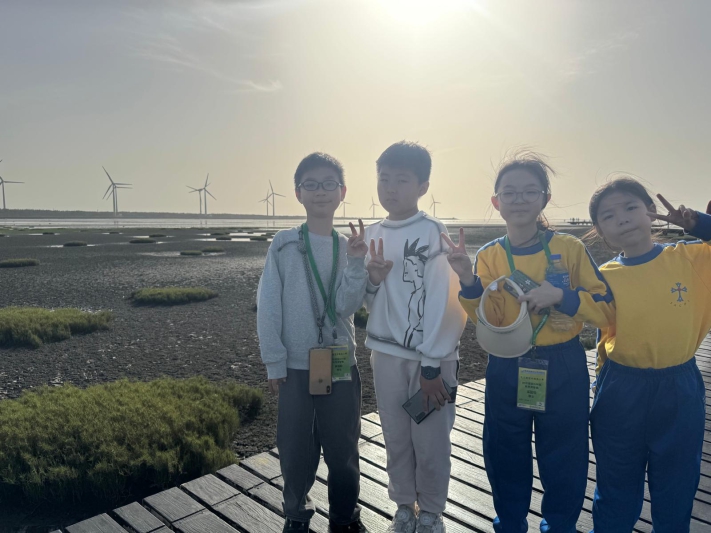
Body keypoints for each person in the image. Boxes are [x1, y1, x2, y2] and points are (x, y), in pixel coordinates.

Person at [442, 151, 614, 532]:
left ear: (545, 199)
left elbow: (605, 309)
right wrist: (468, 280)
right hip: (507, 364)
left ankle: (560, 526)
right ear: (496, 202)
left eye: (529, 191)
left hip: (564, 364)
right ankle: (510, 524)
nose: (519, 199)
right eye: (510, 192)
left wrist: (562, 297)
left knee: (565, 456)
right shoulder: (489, 255)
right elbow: (486, 319)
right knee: (504, 453)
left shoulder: (569, 249)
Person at [587, 177, 711, 531]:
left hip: (679, 387)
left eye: (631, 207)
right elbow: (603, 337)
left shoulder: (690, 257)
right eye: (609, 216)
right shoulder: (603, 276)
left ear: (652, 212)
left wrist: (698, 223)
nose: (623, 218)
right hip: (620, 388)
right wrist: (600, 385)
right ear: (601, 231)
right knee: (615, 482)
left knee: (677, 483)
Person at [257, 152, 369, 533]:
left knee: (343, 449)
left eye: (328, 184)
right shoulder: (284, 243)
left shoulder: (349, 246)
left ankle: (344, 517)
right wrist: (274, 360)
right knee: (295, 450)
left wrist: (358, 263)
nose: (320, 191)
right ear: (298, 193)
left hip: (340, 364)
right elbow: (268, 304)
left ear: (342, 192)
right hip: (293, 367)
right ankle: (296, 515)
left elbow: (346, 307)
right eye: (311, 184)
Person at [363, 141, 467, 533]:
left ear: (423, 186)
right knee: (395, 434)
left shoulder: (433, 232)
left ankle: (432, 511)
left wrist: (431, 364)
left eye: (401, 180)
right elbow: (367, 298)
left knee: (431, 438)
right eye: (384, 179)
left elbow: (446, 301)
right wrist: (371, 280)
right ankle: (404, 505)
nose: (390, 188)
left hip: (431, 359)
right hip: (384, 354)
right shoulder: (370, 234)